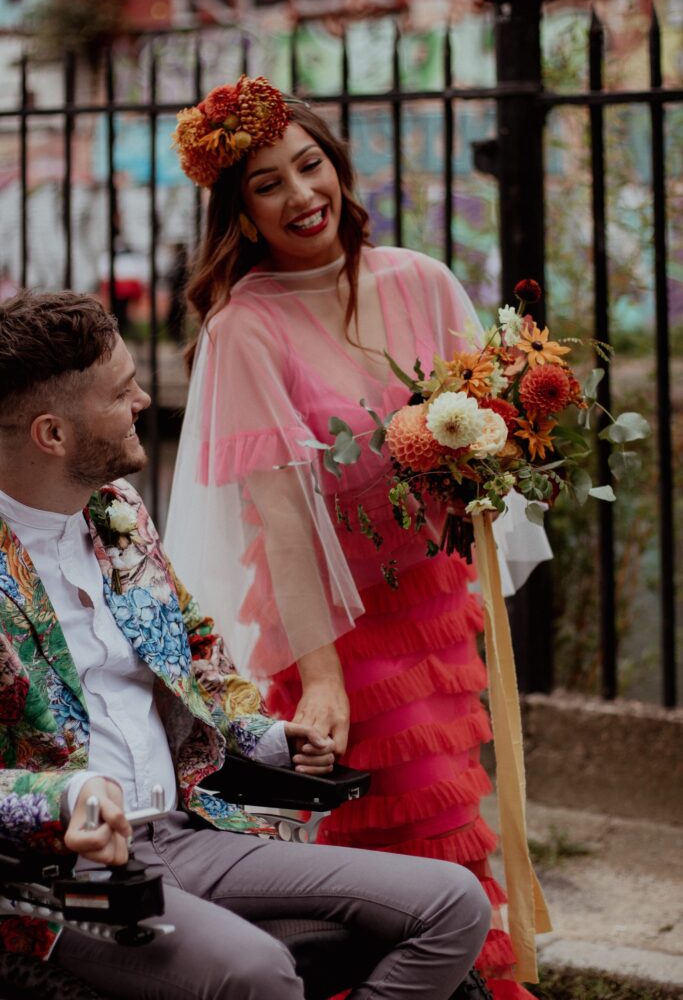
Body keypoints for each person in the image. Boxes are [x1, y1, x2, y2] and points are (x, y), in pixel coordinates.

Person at [165, 76, 550, 999]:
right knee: (405, 823)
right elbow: (285, 526)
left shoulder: (419, 280)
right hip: (337, 623)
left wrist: (478, 473)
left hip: (431, 598)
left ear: (337, 168)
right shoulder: (244, 328)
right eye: (268, 184)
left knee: (444, 810)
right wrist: (325, 675)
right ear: (241, 212)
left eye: (310, 166)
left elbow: (483, 436)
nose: (302, 196)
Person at [0, 290, 491, 1000]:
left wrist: (265, 739)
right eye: (120, 391)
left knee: (452, 903)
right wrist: (67, 794)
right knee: (254, 972)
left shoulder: (118, 512)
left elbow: (198, 656)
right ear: (53, 434)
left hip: (184, 830)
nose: (143, 398)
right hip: (56, 878)